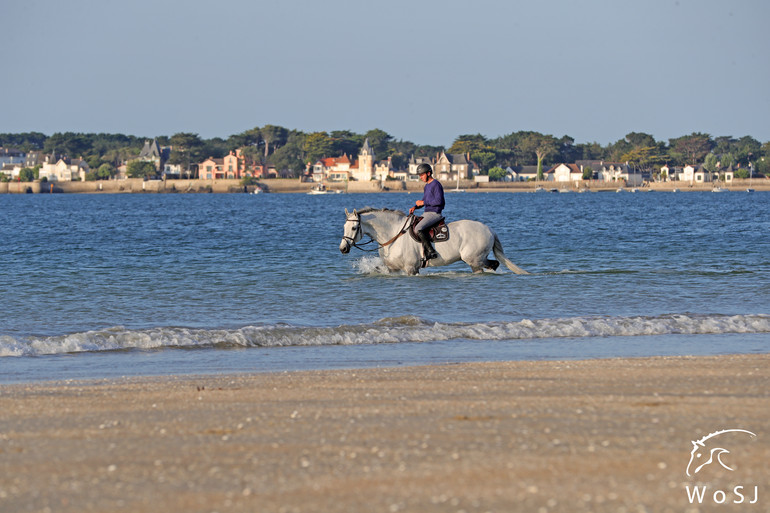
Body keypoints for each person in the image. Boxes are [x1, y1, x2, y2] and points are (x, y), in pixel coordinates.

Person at [409, 163, 445, 260]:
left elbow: (439, 201)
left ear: (428, 173)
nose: (420, 177)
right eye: (419, 175)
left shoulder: (436, 184)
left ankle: (431, 252)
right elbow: (424, 202)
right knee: (411, 225)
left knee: (418, 228)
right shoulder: (426, 186)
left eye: (422, 175)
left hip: (435, 213)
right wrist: (415, 207)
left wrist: (423, 202)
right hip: (426, 213)